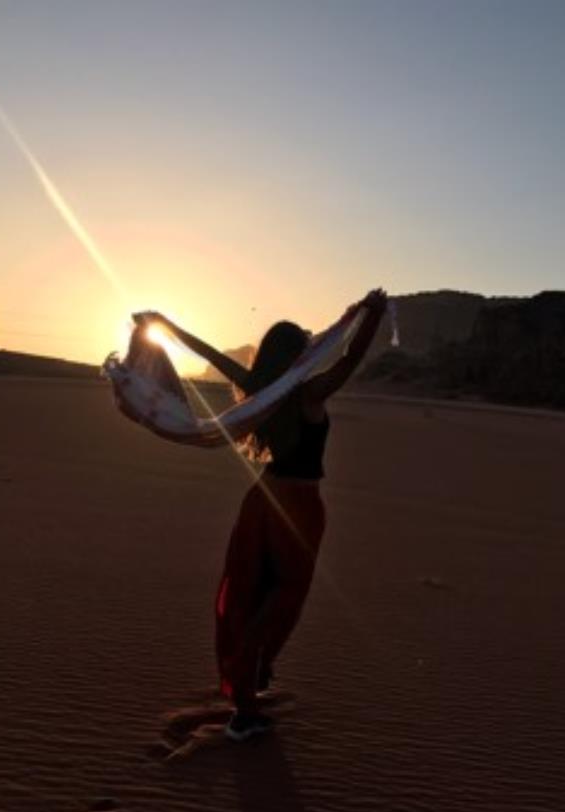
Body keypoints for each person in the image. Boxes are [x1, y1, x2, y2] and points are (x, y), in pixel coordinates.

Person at [139, 289, 388, 740]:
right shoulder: (308, 392)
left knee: (253, 591)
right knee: (282, 596)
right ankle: (245, 703)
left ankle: (251, 677)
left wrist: (165, 326)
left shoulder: (262, 390)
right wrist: (373, 315)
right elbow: (349, 359)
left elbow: (211, 354)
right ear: (297, 354)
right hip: (298, 505)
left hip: (262, 498)